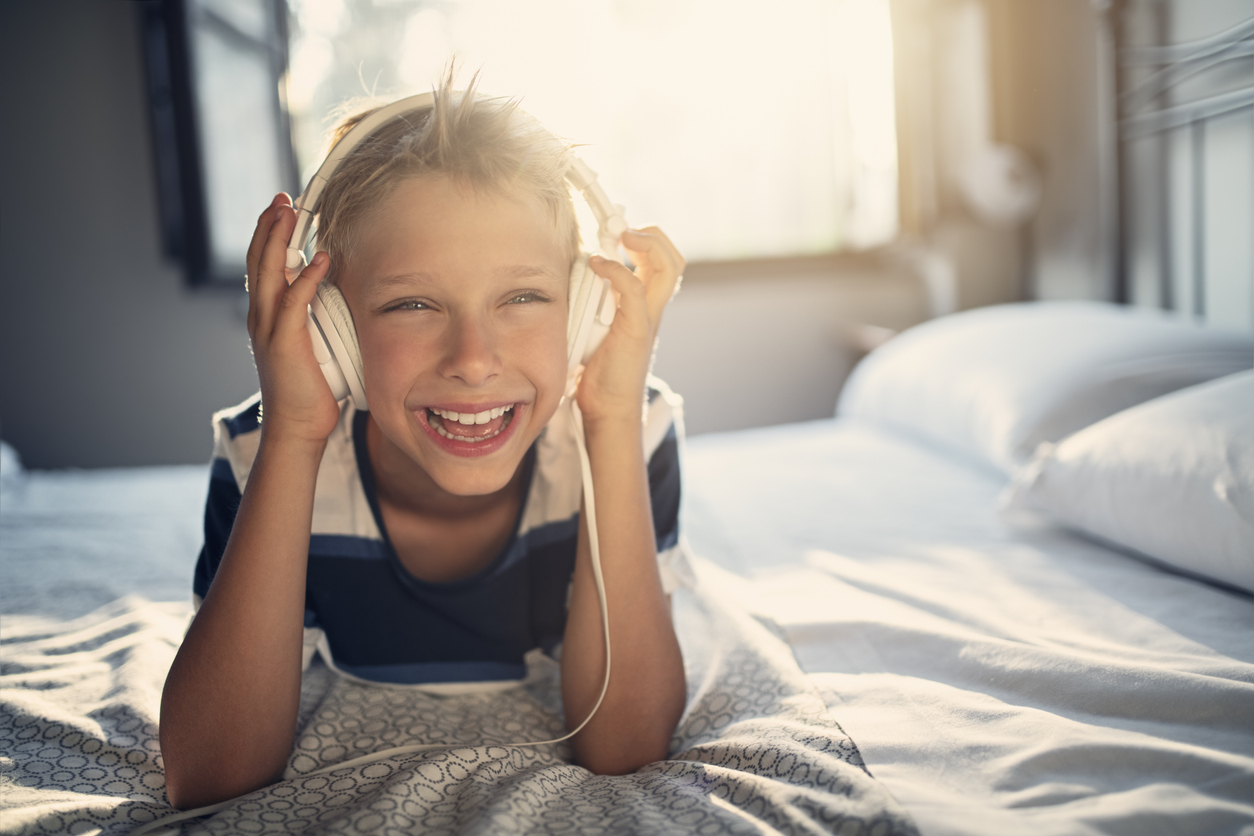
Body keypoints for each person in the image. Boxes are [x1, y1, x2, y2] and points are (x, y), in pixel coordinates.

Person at [158, 74, 689, 810]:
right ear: (330, 329)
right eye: (412, 303)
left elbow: (625, 746)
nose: (472, 359)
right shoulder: (262, 452)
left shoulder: (629, 431)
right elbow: (212, 777)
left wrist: (611, 420)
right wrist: (294, 434)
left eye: (524, 298)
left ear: (584, 316)